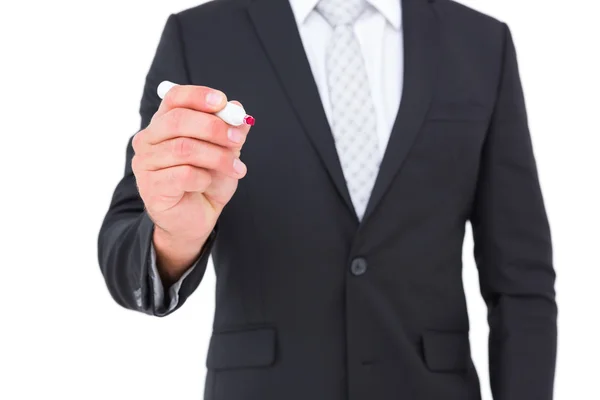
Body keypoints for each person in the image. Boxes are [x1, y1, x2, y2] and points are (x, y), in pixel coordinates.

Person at [98, 0, 557, 399]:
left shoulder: (479, 42)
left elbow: (521, 279)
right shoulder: (199, 37)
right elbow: (125, 251)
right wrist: (176, 237)